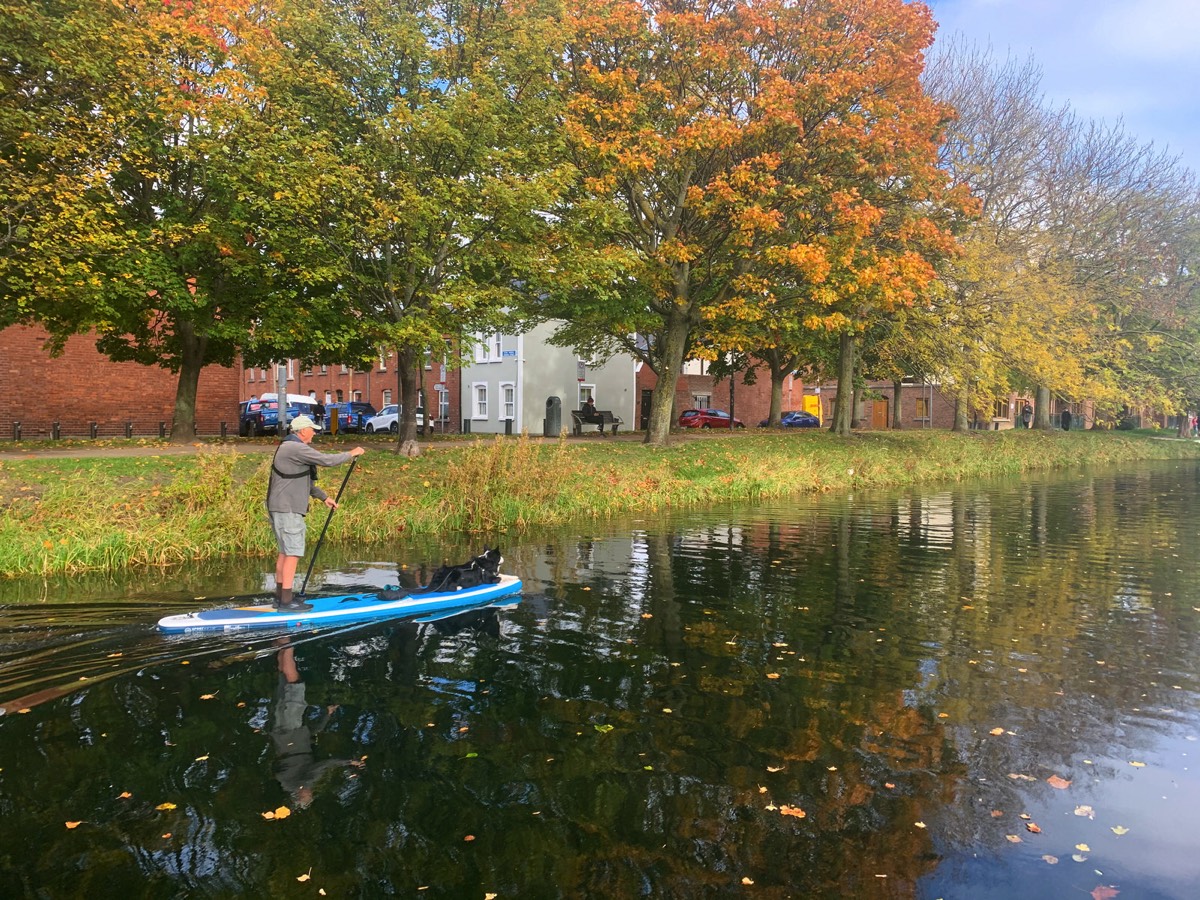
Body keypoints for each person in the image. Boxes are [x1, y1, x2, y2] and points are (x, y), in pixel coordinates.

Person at [267, 414, 365, 611]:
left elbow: (302, 480)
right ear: (303, 431)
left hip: (279, 507)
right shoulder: (296, 447)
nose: (314, 434)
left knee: (284, 553)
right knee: (292, 553)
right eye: (312, 430)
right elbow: (327, 460)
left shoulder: (288, 447)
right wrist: (351, 453)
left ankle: (281, 598)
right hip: (288, 509)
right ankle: (286, 603)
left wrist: (324, 497)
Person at [270, 640, 363, 810]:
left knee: (294, 685)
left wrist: (349, 762)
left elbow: (324, 765)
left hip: (291, 729)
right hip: (283, 732)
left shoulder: (302, 781)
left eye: (308, 796)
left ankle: (288, 642)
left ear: (300, 795)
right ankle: (282, 645)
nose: (311, 793)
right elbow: (310, 736)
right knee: (284, 683)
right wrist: (326, 715)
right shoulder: (288, 780)